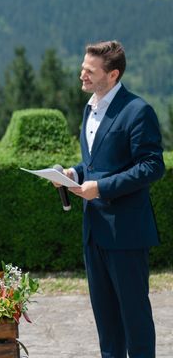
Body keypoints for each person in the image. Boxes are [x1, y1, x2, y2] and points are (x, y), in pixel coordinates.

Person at [59, 40, 164, 358]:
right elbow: (96, 165)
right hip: (94, 232)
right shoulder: (88, 108)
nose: (82, 75)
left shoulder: (138, 111)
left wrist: (100, 187)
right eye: (82, 69)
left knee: (135, 321)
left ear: (113, 74)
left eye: (89, 71)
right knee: (106, 323)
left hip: (127, 233)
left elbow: (152, 166)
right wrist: (75, 174)